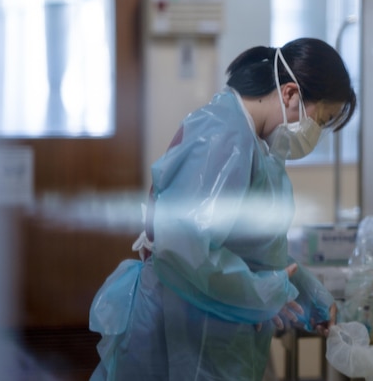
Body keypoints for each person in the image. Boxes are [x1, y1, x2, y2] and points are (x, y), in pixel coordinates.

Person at [88, 37, 357, 380]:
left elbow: (253, 249)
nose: (315, 133)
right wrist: (266, 291)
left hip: (213, 326)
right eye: (321, 120)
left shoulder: (259, 145)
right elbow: (185, 248)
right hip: (184, 326)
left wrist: (306, 292)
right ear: (290, 94)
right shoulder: (223, 136)